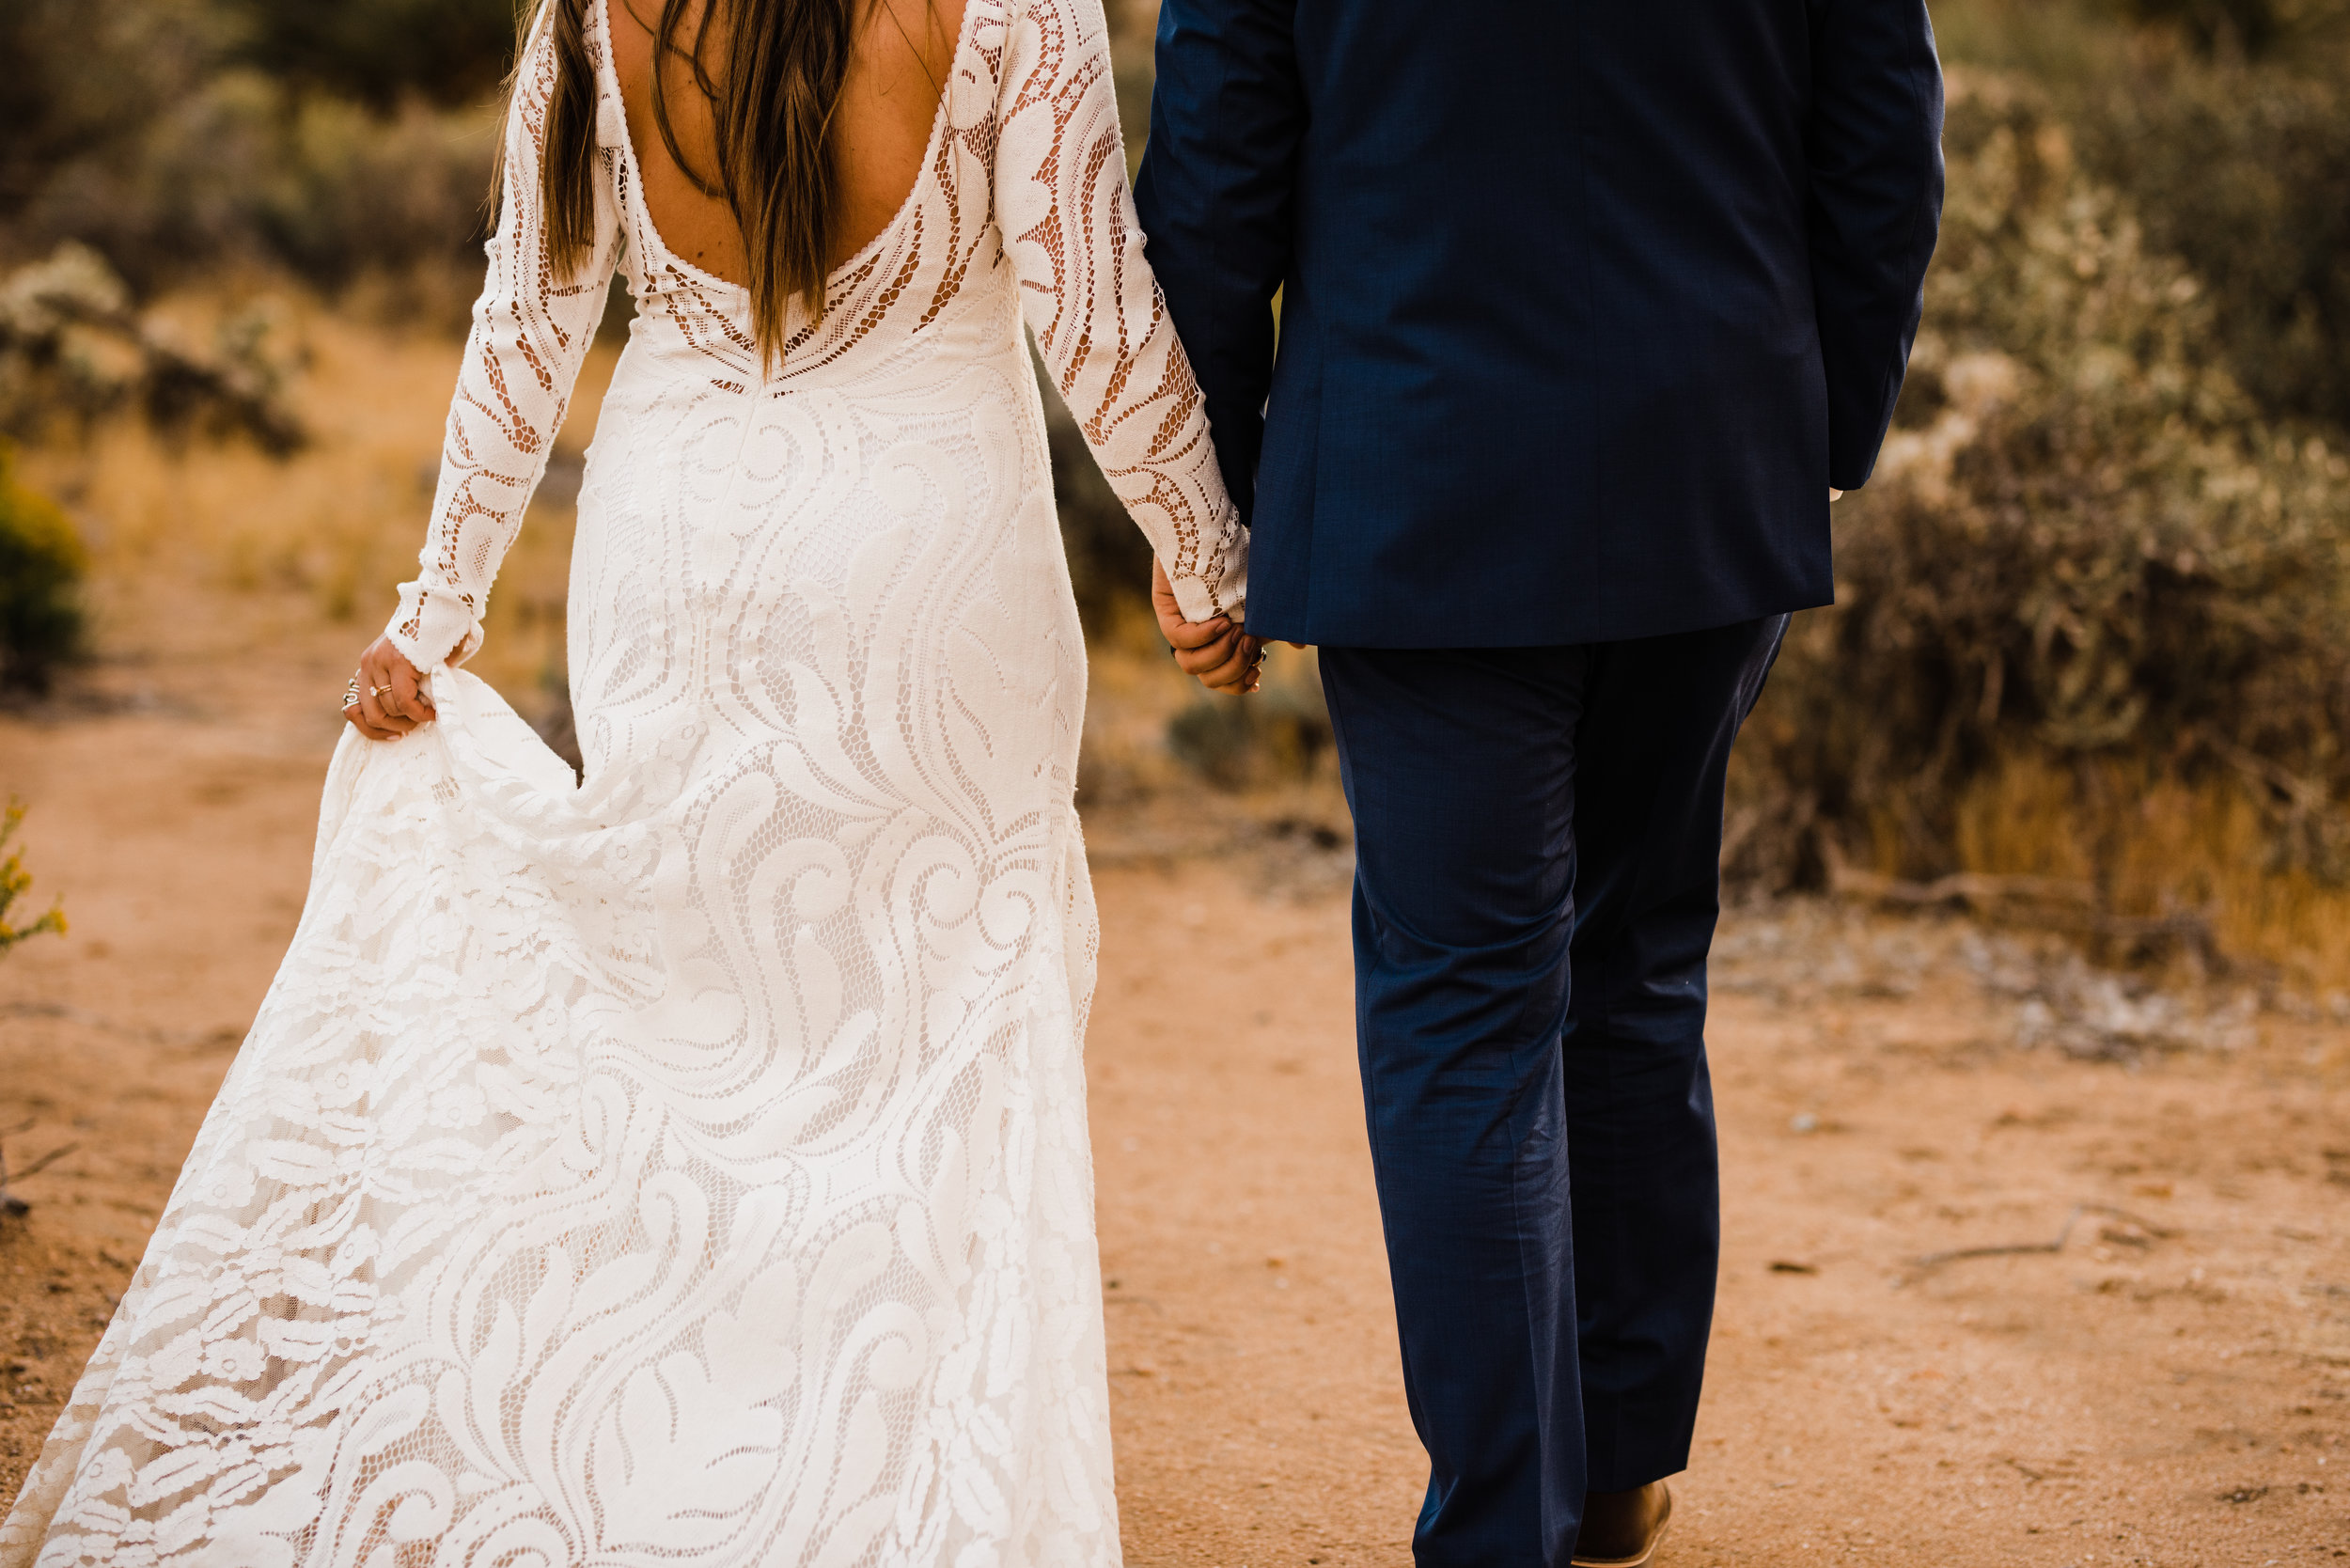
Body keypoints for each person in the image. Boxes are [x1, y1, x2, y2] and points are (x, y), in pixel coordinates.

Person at [0, 0, 1257, 1560]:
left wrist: (436, 612)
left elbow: (526, 321)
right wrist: (1204, 554)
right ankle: (861, 1462)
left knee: (704, 1006)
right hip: (927, 572)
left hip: (679, 565)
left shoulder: (597, 9)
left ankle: (693, 1432)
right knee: (933, 1022)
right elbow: (1096, 316)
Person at [1137, 2, 1945, 1564]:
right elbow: (1883, 136)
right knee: (1637, 953)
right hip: (1708, 459)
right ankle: (1617, 1464)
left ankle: (1506, 1515)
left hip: (1414, 478)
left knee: (1459, 1003)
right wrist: (1816, 424)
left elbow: (1218, 177)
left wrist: (1205, 508)